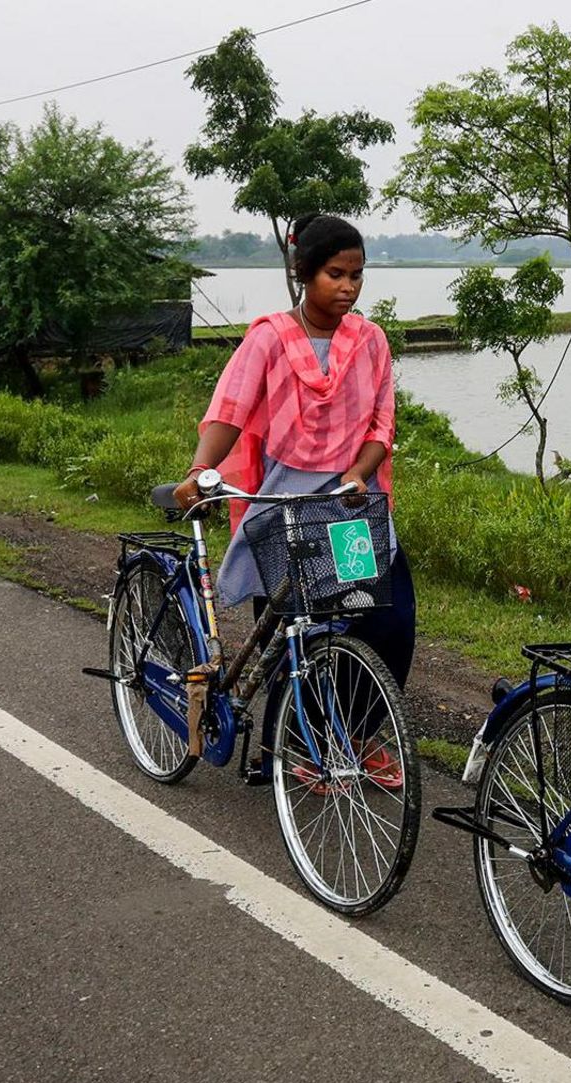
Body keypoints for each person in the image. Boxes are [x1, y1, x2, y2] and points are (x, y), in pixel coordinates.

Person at [174, 212, 414, 780]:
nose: (349, 288)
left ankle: (355, 734)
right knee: (290, 628)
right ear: (304, 271)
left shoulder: (370, 340)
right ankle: (297, 744)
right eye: (336, 274)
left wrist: (360, 472)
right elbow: (229, 411)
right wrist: (200, 469)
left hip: (350, 505)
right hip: (285, 502)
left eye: (357, 275)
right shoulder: (269, 339)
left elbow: (382, 422)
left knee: (385, 619)